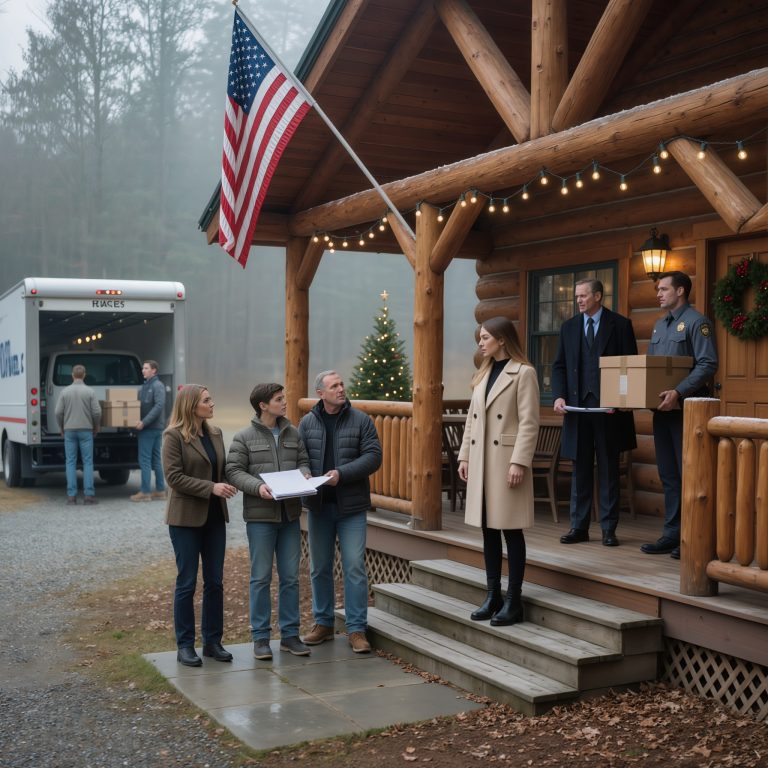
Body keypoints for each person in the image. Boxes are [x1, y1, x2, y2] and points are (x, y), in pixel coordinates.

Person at [457, 317, 540, 626]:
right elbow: (471, 420)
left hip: (506, 461)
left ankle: (513, 600)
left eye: (486, 337)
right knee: (488, 530)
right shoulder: (483, 372)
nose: (481, 342)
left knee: (511, 529)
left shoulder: (524, 373)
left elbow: (530, 422)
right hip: (480, 461)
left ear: (502, 339)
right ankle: (493, 595)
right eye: (480, 337)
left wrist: (519, 461)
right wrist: (464, 456)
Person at [226, 383, 312, 661]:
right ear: (263, 405)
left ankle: (290, 635)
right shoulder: (243, 437)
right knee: (260, 578)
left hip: (289, 516)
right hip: (260, 518)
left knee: (290, 578)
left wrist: (306, 475)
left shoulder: (292, 432)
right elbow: (234, 471)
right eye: (279, 399)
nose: (284, 402)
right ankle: (260, 638)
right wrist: (257, 487)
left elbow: (303, 461)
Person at [298, 371, 382, 653]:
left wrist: (342, 474)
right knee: (319, 568)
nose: (341, 389)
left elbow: (373, 457)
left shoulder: (361, 420)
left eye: (342, 384)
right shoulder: (307, 423)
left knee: (354, 567)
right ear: (321, 393)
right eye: (334, 386)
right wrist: (306, 472)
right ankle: (323, 624)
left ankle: (357, 629)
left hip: (351, 507)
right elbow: (300, 459)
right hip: (319, 507)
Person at [552, 278, 637, 547]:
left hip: (609, 411)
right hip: (577, 410)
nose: (578, 300)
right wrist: (558, 395)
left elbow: (629, 367)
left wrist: (623, 399)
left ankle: (609, 529)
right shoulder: (568, 327)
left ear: (598, 296)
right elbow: (559, 367)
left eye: (583, 295)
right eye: (576, 296)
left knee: (609, 469)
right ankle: (579, 527)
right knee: (581, 469)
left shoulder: (620, 325)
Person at [641, 271, 718, 560]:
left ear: (681, 290)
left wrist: (678, 391)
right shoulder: (660, 326)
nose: (658, 293)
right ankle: (672, 534)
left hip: (687, 410)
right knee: (669, 475)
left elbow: (708, 363)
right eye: (657, 289)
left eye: (663, 289)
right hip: (662, 411)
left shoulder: (698, 322)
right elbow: (653, 369)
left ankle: (691, 536)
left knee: (690, 475)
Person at [162, 384, 238, 667]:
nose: (212, 404)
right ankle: (185, 645)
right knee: (187, 582)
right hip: (185, 520)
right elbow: (174, 478)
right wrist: (212, 488)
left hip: (215, 518)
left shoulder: (216, 433)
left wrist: (238, 480)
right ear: (192, 405)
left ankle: (212, 642)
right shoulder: (173, 437)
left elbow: (224, 469)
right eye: (207, 400)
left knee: (215, 582)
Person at [55, 364, 101, 505]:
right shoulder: (90, 392)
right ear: (84, 375)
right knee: (88, 462)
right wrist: (96, 426)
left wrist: (61, 427)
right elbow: (97, 412)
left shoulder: (65, 392)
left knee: (70, 462)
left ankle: (71, 496)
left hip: (69, 430)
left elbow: (58, 412)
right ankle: (88, 496)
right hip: (86, 430)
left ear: (72, 375)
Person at [131, 360, 167, 502]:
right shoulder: (146, 386)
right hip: (150, 428)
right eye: (142, 368)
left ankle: (145, 492)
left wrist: (143, 422)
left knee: (145, 460)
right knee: (155, 460)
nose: (143, 370)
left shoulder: (157, 386)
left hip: (150, 428)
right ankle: (160, 491)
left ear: (154, 371)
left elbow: (158, 406)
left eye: (146, 368)